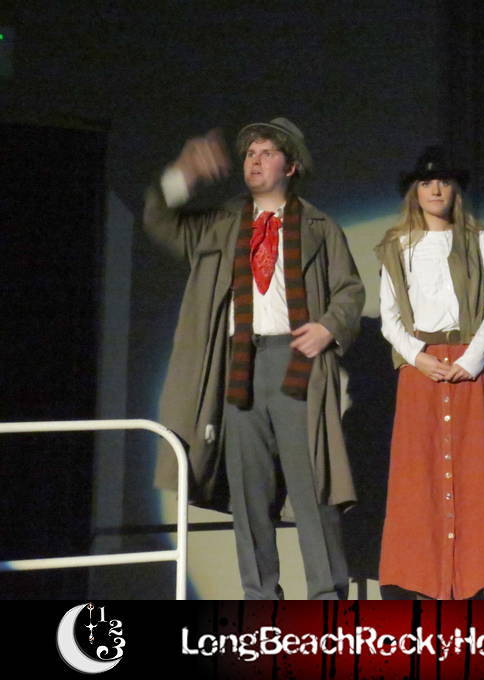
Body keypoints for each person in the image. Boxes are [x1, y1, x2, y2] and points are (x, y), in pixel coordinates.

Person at [143, 117, 365, 600]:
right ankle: (261, 600)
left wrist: (329, 326)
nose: (255, 161)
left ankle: (327, 601)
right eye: (249, 154)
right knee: (249, 492)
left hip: (296, 362)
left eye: (267, 153)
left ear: (292, 165)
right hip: (240, 364)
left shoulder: (319, 226)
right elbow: (162, 223)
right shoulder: (221, 223)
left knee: (313, 486)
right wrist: (183, 174)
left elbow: (350, 289)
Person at [375, 146, 484, 599]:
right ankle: (426, 582)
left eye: (444, 181)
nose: (436, 189)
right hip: (423, 368)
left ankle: (473, 583)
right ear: (414, 192)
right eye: (426, 182)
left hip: (469, 365)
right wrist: (418, 356)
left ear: (456, 190)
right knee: (420, 475)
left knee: (475, 476)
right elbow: (390, 315)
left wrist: (470, 360)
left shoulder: (478, 241)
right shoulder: (398, 247)